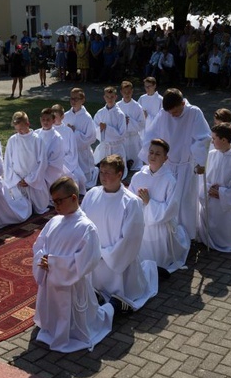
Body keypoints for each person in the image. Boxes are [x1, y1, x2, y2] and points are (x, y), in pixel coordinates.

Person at [32, 176, 114, 353]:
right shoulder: (54, 221)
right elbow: (39, 246)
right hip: (51, 282)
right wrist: (43, 259)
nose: (56, 206)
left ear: (74, 198)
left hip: (73, 286)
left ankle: (112, 307)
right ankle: (53, 327)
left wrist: (53, 263)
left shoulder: (86, 227)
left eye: (59, 201)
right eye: (53, 202)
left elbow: (87, 260)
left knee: (78, 321)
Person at [82, 155, 158, 312]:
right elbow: (83, 224)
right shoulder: (91, 195)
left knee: (121, 291)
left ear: (120, 174)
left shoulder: (131, 202)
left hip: (119, 263)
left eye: (108, 173)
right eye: (101, 172)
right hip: (94, 259)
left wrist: (105, 253)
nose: (103, 177)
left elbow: (131, 239)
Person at [140, 88, 211, 239]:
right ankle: (170, 234)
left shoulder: (194, 113)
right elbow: (151, 135)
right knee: (168, 200)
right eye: (170, 113)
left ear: (183, 103)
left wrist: (200, 162)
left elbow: (203, 138)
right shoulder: (164, 113)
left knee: (185, 202)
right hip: (167, 166)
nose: (173, 115)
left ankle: (187, 235)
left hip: (186, 166)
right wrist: (150, 159)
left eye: (176, 112)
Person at [128, 139, 189, 275]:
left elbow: (170, 210)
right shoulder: (138, 176)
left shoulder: (169, 180)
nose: (153, 156)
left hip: (160, 225)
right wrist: (138, 201)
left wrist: (149, 202)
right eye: (151, 152)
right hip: (142, 222)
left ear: (165, 158)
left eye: (157, 154)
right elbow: (130, 200)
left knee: (157, 262)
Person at [198, 124, 231, 252]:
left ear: (224, 140)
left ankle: (228, 240)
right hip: (211, 198)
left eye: (214, 138)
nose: (212, 141)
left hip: (226, 204)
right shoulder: (212, 154)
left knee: (228, 231)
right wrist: (209, 188)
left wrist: (221, 192)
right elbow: (205, 178)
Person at [3, 111, 49, 214]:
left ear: (27, 124)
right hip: (18, 181)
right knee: (22, 209)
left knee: (40, 207)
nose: (19, 132)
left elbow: (42, 163)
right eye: (17, 130)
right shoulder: (12, 140)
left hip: (33, 180)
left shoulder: (37, 140)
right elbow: (7, 162)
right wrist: (16, 179)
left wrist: (29, 180)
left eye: (21, 129)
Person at [63, 88, 98, 188]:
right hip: (69, 152)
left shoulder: (87, 117)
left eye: (76, 99)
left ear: (82, 100)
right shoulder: (65, 116)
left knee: (85, 179)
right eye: (71, 98)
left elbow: (91, 138)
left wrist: (75, 133)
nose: (73, 101)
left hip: (82, 152)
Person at [52, 104, 86, 194]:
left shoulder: (68, 131)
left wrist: (65, 162)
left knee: (79, 177)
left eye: (55, 116)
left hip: (68, 161)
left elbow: (73, 150)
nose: (53, 119)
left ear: (62, 117)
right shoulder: (49, 130)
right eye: (52, 116)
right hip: (53, 162)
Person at [92, 87, 127, 175]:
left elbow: (121, 134)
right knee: (103, 170)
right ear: (104, 97)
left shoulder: (120, 114)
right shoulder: (100, 113)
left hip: (115, 147)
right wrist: (100, 129)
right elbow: (94, 129)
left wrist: (107, 128)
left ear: (116, 97)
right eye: (107, 97)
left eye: (112, 97)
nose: (109, 99)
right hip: (105, 146)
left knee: (116, 171)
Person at [34, 108, 67, 194]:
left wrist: (41, 167)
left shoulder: (56, 137)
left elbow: (56, 159)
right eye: (43, 119)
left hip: (49, 169)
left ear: (53, 120)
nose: (45, 122)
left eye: (48, 120)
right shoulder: (36, 134)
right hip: (36, 166)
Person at [117, 81, 145, 171]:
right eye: (125, 92)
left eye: (129, 92)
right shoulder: (117, 106)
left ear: (132, 91)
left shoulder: (137, 106)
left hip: (133, 137)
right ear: (121, 92)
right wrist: (122, 122)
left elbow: (142, 124)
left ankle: (134, 164)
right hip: (122, 137)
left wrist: (130, 121)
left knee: (135, 162)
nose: (127, 94)